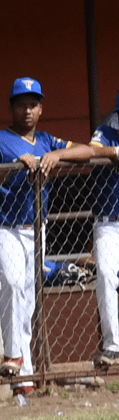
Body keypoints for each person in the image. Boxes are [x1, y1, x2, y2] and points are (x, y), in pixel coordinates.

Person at [0, 77, 94, 394]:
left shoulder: (47, 140)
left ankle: (23, 380)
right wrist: (10, 167)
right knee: (12, 283)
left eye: (33, 104)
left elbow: (88, 151)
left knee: (26, 302)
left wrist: (58, 155)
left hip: (35, 228)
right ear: (11, 108)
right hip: (2, 227)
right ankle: (13, 354)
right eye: (21, 104)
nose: (27, 110)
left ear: (40, 109)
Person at [89, 95, 119, 368]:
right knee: (107, 276)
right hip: (108, 223)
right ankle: (112, 346)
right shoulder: (106, 131)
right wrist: (115, 152)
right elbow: (91, 151)